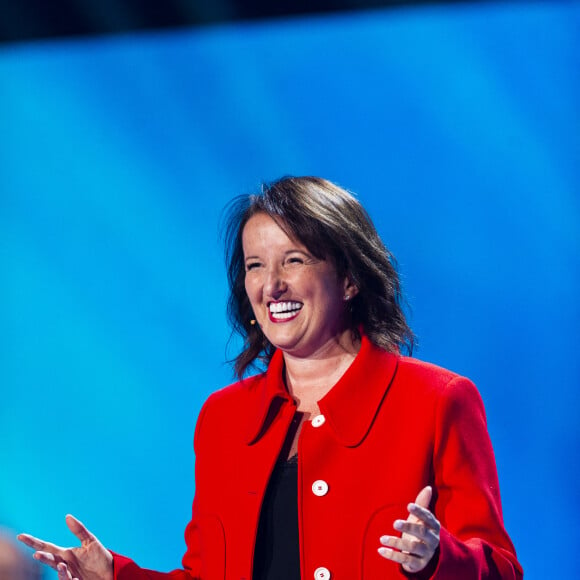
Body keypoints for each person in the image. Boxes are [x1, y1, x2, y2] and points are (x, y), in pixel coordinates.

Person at [18, 176, 523, 579]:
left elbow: (501, 569)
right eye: (256, 265)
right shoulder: (225, 417)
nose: (272, 284)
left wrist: (438, 559)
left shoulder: (437, 400)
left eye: (294, 260)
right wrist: (116, 575)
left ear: (348, 278)